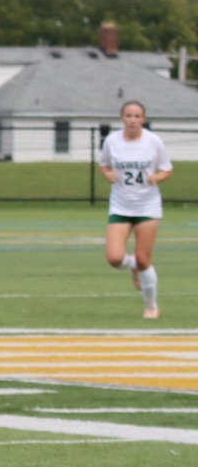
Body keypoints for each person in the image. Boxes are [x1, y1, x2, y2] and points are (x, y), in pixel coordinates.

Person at [100, 100, 173, 320]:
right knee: (114, 258)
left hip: (147, 206)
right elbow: (104, 164)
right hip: (121, 204)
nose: (132, 120)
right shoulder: (112, 141)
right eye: (129, 116)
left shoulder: (153, 142)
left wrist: (157, 177)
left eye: (137, 116)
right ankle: (133, 266)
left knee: (144, 259)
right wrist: (108, 174)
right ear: (122, 118)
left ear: (143, 119)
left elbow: (167, 169)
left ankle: (151, 306)